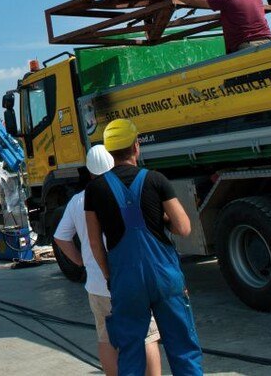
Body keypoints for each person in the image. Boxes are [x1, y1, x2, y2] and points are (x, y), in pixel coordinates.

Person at [85, 119, 203, 376]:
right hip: (165, 276)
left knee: (130, 350)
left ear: (109, 151)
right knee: (183, 347)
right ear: (136, 147)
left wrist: (109, 276)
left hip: (125, 280)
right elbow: (183, 227)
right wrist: (161, 219)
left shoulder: (94, 190)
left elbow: (94, 242)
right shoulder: (156, 180)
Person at [54, 146, 162, 376]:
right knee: (146, 336)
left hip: (97, 284)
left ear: (89, 171)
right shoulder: (127, 192)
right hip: (131, 278)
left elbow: (61, 237)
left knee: (107, 338)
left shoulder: (77, 201)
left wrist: (80, 261)